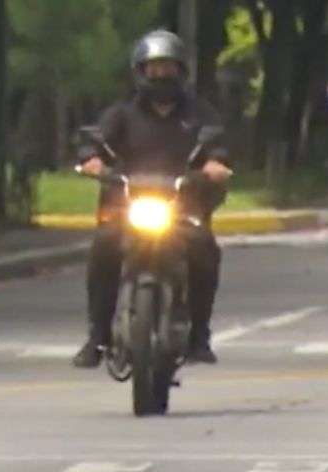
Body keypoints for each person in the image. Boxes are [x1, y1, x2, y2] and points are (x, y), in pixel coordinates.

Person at [74, 30, 233, 369]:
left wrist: (214, 165)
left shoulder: (199, 114)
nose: (161, 75)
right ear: (140, 72)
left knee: (205, 249)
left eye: (168, 68)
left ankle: (200, 337)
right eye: (154, 68)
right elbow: (96, 143)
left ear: (181, 71)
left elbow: (217, 147)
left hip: (182, 207)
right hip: (128, 206)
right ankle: (97, 336)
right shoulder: (122, 114)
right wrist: (93, 160)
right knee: (103, 247)